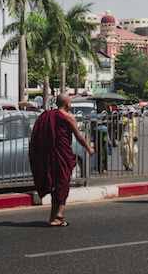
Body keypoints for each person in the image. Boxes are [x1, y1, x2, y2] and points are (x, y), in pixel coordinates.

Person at [29, 93, 95, 227]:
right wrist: (89, 148)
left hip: (52, 154)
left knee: (57, 185)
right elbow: (79, 136)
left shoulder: (47, 115)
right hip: (61, 155)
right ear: (67, 104)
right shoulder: (68, 117)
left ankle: (54, 216)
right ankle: (58, 215)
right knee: (62, 183)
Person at [121, 106, 138, 171]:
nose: (132, 114)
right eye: (130, 113)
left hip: (132, 136)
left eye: (132, 113)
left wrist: (136, 135)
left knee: (134, 150)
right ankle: (127, 165)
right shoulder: (125, 119)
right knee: (126, 151)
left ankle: (129, 163)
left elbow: (134, 128)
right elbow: (121, 128)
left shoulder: (134, 119)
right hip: (126, 136)